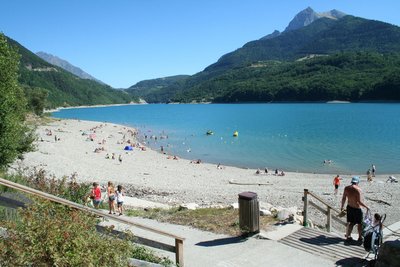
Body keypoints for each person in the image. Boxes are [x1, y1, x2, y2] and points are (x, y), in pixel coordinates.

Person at [340, 176, 369, 243]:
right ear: (357, 182)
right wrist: (366, 207)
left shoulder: (346, 188)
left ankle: (348, 236)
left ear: (352, 181)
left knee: (351, 223)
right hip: (357, 208)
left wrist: (342, 206)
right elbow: (359, 201)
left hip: (349, 207)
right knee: (360, 224)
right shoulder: (358, 189)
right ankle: (360, 237)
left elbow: (344, 198)